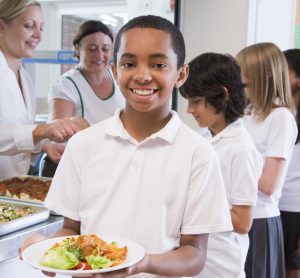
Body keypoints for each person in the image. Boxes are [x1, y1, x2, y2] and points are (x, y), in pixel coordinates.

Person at [20, 15, 233, 277]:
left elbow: (195, 255)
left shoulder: (198, 154)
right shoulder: (83, 145)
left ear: (181, 74)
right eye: (129, 63)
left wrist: (142, 263)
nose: (143, 76)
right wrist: (49, 251)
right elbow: (71, 230)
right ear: (115, 69)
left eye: (158, 64)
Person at [179, 52, 262, 278]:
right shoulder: (203, 137)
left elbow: (243, 222)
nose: (189, 110)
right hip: (195, 258)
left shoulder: (241, 149)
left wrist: (192, 201)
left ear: (222, 95)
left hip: (221, 265)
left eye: (196, 102)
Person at [0, 0, 88, 179]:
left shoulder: (25, 79)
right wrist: (41, 131)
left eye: (41, 28)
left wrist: (42, 145)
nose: (37, 35)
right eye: (29, 26)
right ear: (1, 27)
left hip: (12, 189)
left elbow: (14, 139)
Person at [236, 42, 298, 278]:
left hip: (260, 220)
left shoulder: (280, 117)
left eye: (243, 71)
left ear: (265, 74)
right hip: (238, 215)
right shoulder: (247, 114)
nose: (239, 79)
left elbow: (268, 185)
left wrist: (229, 173)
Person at [41, 20, 125, 176]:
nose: (99, 55)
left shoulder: (118, 79)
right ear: (78, 49)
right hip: (73, 167)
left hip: (110, 165)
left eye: (105, 49)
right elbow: (57, 135)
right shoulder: (65, 85)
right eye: (92, 49)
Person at [279, 49, 300, 278]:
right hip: (275, 207)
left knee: (292, 270)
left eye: (285, 72)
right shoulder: (280, 112)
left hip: (296, 210)